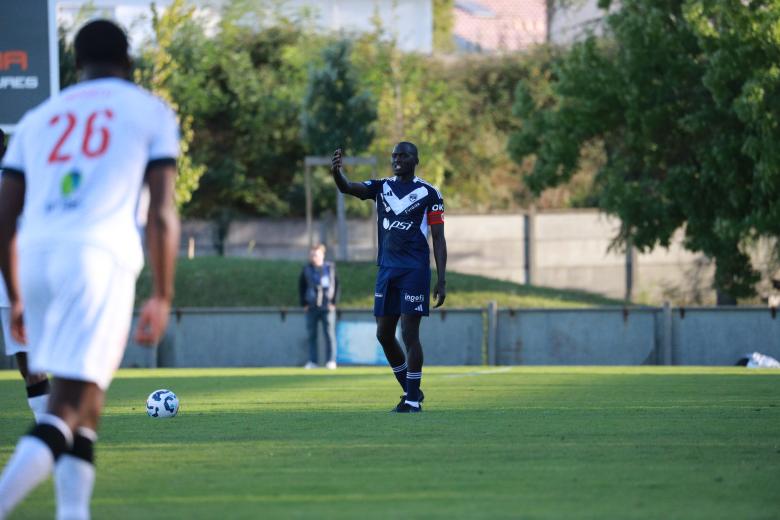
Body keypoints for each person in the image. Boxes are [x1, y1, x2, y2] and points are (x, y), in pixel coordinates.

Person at [0, 19, 180, 519]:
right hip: (96, 257)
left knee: (86, 406)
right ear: (129, 61)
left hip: (36, 256)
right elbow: (162, 211)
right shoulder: (150, 112)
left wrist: (16, 292)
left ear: (75, 63)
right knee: (67, 408)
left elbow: (5, 213)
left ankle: (73, 514)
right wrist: (162, 294)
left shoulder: (39, 118)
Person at [331, 142, 447, 413]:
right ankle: (411, 391)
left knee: (409, 332)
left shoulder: (429, 193)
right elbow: (348, 187)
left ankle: (411, 399)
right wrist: (337, 173)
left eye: (403, 155)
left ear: (415, 159)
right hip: (386, 269)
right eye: (394, 156)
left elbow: (439, 238)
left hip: (414, 270)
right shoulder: (381, 187)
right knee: (384, 334)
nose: (397, 160)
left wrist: (441, 279)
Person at [0, 128, 50, 421]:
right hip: (15, 284)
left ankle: (51, 426)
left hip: (11, 285)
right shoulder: (20, 180)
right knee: (29, 361)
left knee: (30, 361)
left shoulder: (14, 181)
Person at [299, 244, 339, 369]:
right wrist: (304, 304)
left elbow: (337, 286)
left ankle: (331, 361)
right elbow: (301, 287)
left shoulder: (330, 268)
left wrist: (334, 302)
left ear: (322, 255)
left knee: (329, 335)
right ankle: (312, 361)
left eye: (315, 254)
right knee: (312, 335)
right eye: (311, 255)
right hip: (311, 307)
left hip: (327, 307)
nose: (313, 257)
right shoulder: (306, 269)